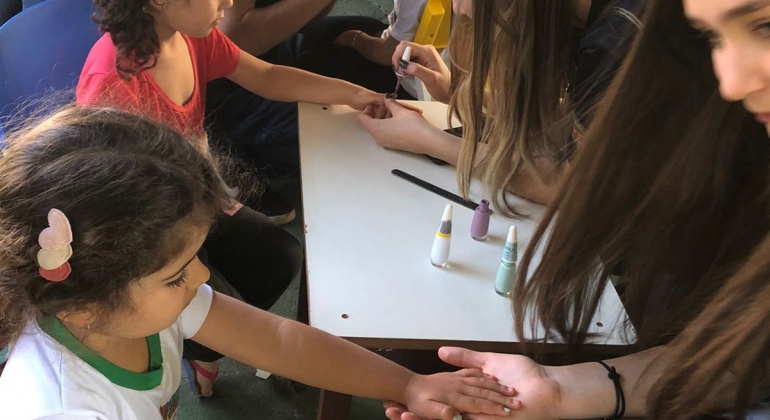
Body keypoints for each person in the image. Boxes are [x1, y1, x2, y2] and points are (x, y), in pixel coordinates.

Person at [0, 106, 521, 420]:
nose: (203, 277)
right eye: (179, 273)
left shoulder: (119, 305)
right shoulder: (68, 408)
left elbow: (277, 339)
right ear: (89, 306)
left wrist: (409, 385)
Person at [384, 0, 770, 419]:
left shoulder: (618, 41)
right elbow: (729, 360)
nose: (730, 84)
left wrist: (434, 141)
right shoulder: (602, 28)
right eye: (713, 38)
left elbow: (583, 183)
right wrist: (560, 391)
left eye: (765, 26)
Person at [75, 0, 381, 396]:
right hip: (151, 228)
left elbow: (267, 76)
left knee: (279, 257)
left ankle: (198, 344)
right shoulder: (113, 84)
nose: (231, 3)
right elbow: (113, 205)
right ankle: (188, 344)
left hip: (196, 198)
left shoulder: (189, 35)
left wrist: (356, 95)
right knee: (223, 310)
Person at [360, 0, 641, 213]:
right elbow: (582, 116)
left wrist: (428, 140)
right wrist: (461, 93)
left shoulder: (615, 44)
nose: (457, 9)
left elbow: (579, 188)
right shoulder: (598, 16)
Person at [206, 0, 339, 224]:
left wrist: (358, 96)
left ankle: (232, 152)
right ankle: (219, 156)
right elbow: (232, 41)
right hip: (221, 90)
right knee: (346, 138)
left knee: (355, 46)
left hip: (269, 56)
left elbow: (305, 23)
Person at [294, 0, 434, 100]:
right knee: (327, 29)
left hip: (408, 84)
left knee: (308, 63)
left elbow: (385, 54)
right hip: (409, 46)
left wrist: (353, 38)